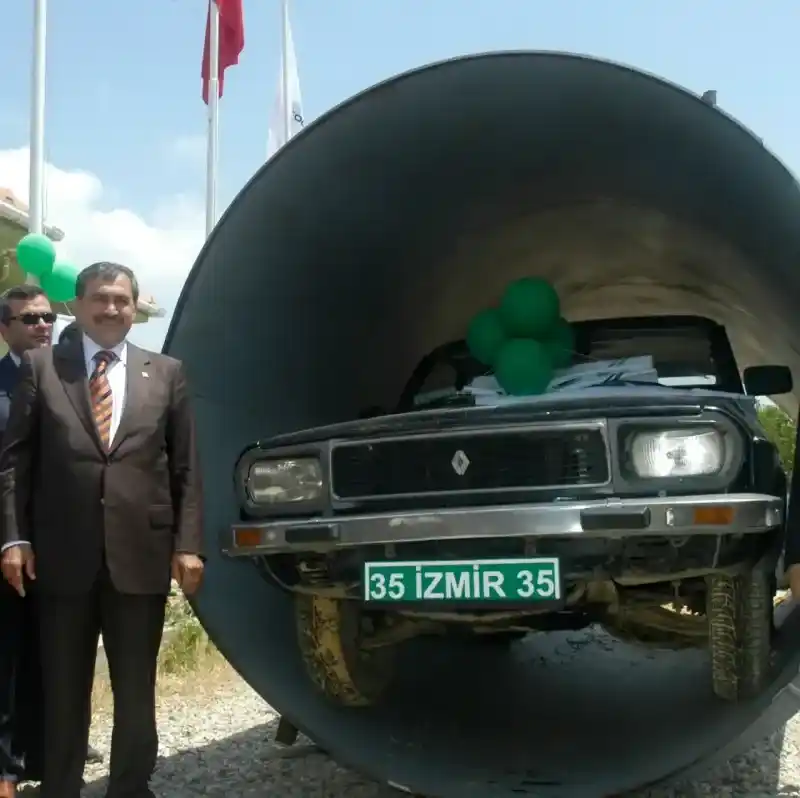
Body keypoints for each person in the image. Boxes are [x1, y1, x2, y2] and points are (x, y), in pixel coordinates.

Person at [0, 262, 205, 798]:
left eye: (121, 299)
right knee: (63, 688)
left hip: (140, 555)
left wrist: (188, 545)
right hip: (61, 557)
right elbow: (14, 464)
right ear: (79, 303)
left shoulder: (166, 373)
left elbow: (185, 468)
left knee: (135, 688)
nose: (111, 308)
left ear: (134, 307)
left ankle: (131, 788)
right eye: (100, 298)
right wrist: (14, 538)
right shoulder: (43, 368)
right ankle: (61, 787)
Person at [0, 285, 53, 797]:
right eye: (30, 319)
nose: (42, 326)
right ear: (6, 328)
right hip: (8, 545)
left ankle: (47, 753)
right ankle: (6, 768)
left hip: (62, 542)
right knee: (8, 656)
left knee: (54, 651)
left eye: (47, 317)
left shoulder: (73, 378)